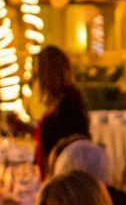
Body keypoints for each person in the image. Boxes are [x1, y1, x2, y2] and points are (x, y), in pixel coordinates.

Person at [31, 45, 92, 174]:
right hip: (52, 172)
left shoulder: (69, 104)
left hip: (61, 175)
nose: (36, 78)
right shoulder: (59, 100)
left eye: (39, 72)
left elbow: (71, 145)